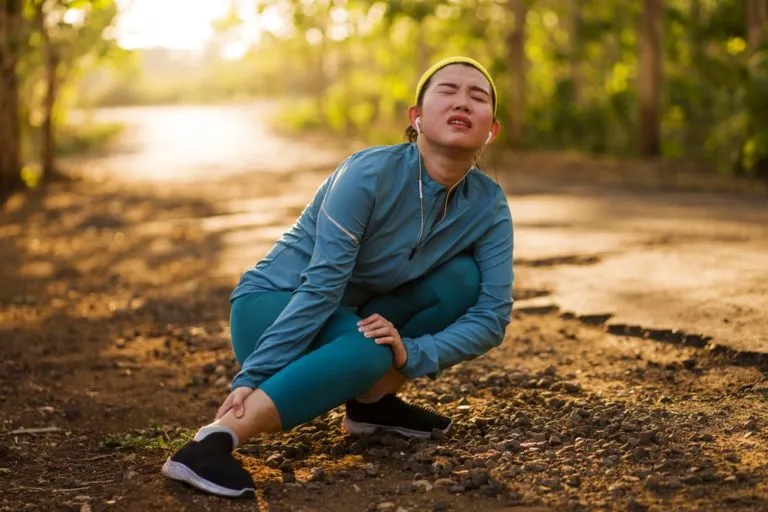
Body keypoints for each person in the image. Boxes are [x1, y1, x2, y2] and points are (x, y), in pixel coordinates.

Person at [161, 56, 514, 499]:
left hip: (348, 317)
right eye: (447, 91)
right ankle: (212, 442)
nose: (462, 102)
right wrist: (253, 374)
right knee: (370, 350)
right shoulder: (368, 172)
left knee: (461, 279)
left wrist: (415, 352)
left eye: (477, 96)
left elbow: (492, 314)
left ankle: (372, 406)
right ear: (417, 118)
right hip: (275, 306)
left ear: (491, 129)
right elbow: (322, 286)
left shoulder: (488, 204)